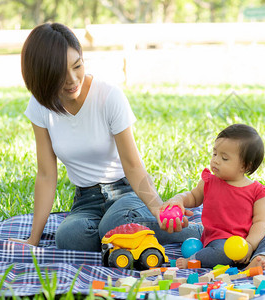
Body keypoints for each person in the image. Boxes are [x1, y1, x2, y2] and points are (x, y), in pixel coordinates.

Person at [11, 22, 201, 251]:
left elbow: (133, 165)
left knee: (116, 223)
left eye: (77, 66)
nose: (72, 79)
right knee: (69, 238)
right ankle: (118, 237)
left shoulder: (109, 96)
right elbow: (46, 174)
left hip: (124, 192)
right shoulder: (40, 106)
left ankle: (198, 230)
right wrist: (34, 238)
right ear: (43, 76)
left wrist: (157, 207)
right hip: (85, 200)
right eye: (61, 73)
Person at [160, 124, 265, 270]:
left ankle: (259, 260)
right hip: (221, 241)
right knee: (220, 253)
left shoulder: (257, 191)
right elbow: (193, 197)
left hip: (249, 242)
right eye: (215, 154)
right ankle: (193, 260)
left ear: (245, 166)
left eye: (224, 158)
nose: (216, 160)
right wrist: (179, 199)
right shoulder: (209, 182)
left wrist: (249, 245)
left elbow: (260, 222)